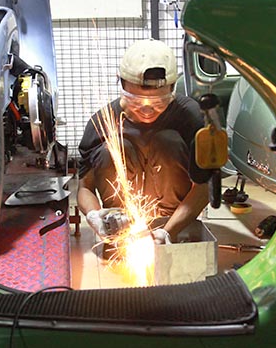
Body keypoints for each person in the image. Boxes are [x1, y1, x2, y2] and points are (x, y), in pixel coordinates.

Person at [77, 39, 211, 245]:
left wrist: (169, 231)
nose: (147, 111)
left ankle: (166, 228)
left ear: (173, 88)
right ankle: (119, 228)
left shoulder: (191, 118)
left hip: (171, 219)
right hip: (122, 219)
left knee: (168, 141)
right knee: (113, 148)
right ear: (121, 85)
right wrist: (94, 215)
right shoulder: (101, 122)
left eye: (158, 103)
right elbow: (84, 188)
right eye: (137, 102)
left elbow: (203, 188)